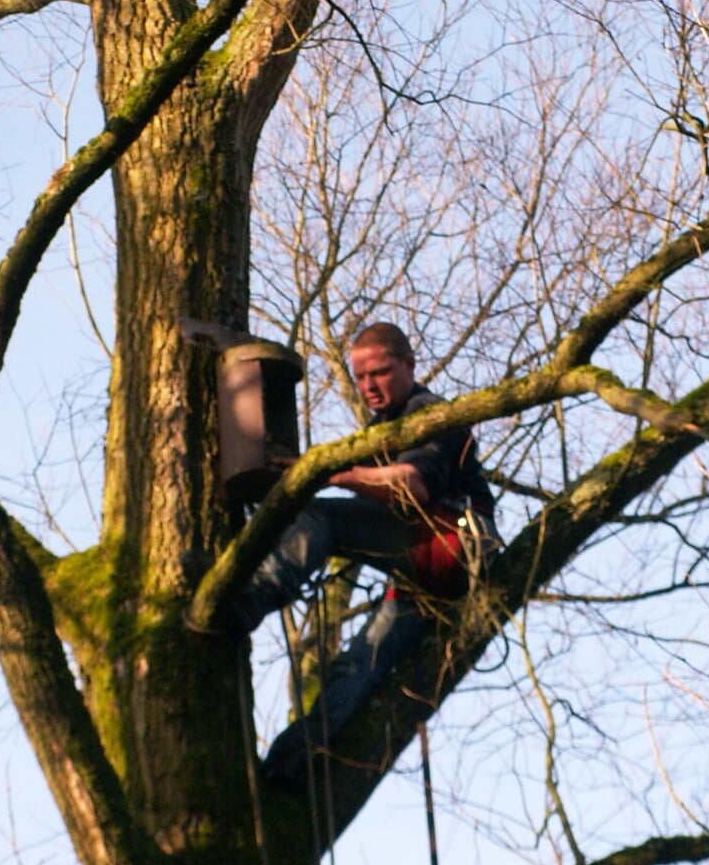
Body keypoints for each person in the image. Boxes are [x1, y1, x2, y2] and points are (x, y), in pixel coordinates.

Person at [200, 322, 496, 787]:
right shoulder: (379, 431)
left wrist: (329, 476)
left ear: (409, 365)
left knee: (325, 520)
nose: (369, 387)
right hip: (425, 578)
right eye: (360, 377)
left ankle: (245, 601)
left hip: (453, 544)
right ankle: (293, 763)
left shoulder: (430, 413)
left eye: (379, 373)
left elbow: (412, 486)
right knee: (361, 662)